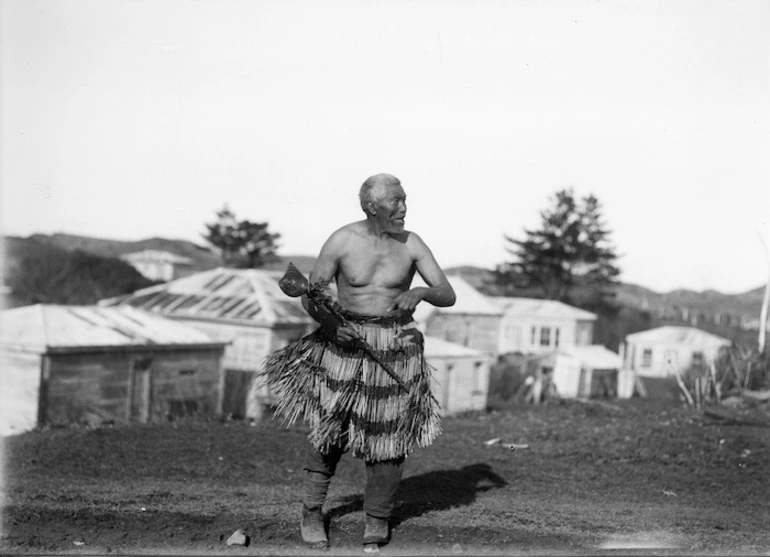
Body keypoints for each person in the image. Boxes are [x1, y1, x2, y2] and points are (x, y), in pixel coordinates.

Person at [260, 173, 456, 550]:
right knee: (329, 428)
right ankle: (312, 511)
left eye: (404, 200)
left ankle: (377, 518)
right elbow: (311, 295)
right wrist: (333, 328)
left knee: (389, 436)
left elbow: (447, 294)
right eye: (395, 201)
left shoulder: (412, 243)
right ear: (372, 206)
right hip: (344, 344)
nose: (403, 208)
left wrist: (421, 291)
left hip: (395, 345)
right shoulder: (343, 240)